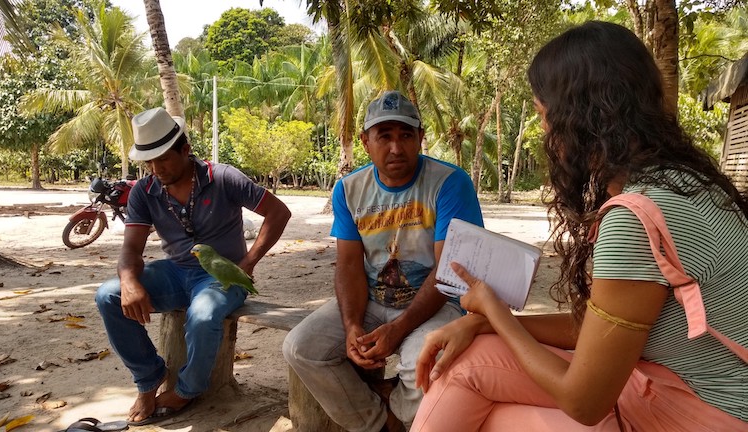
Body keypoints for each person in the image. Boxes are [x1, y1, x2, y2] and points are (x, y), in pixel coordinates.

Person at [411, 21, 748, 431]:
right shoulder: (686, 182)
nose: (544, 131)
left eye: (543, 115)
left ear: (580, 117)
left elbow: (583, 402)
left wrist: (495, 312)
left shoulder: (636, 217)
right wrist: (485, 320)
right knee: (468, 363)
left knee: (490, 414)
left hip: (706, 412)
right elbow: (599, 329)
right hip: (668, 384)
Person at [282, 90, 484, 432]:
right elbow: (348, 265)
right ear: (365, 141)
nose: (396, 147)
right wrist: (351, 327)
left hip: (437, 303)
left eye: (406, 135)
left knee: (427, 364)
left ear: (420, 138)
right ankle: (379, 422)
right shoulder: (348, 189)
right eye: (384, 136)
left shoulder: (449, 183)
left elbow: (448, 270)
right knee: (301, 348)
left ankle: (402, 410)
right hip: (375, 299)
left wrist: (398, 329)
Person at [95, 107, 291, 425]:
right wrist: (129, 281)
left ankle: (187, 390)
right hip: (174, 272)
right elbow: (131, 250)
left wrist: (247, 263)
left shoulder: (224, 177)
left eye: (163, 159)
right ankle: (148, 379)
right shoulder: (144, 192)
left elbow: (279, 212)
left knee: (203, 314)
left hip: (219, 278)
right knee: (108, 295)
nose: (155, 169)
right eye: (149, 162)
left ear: (186, 150)